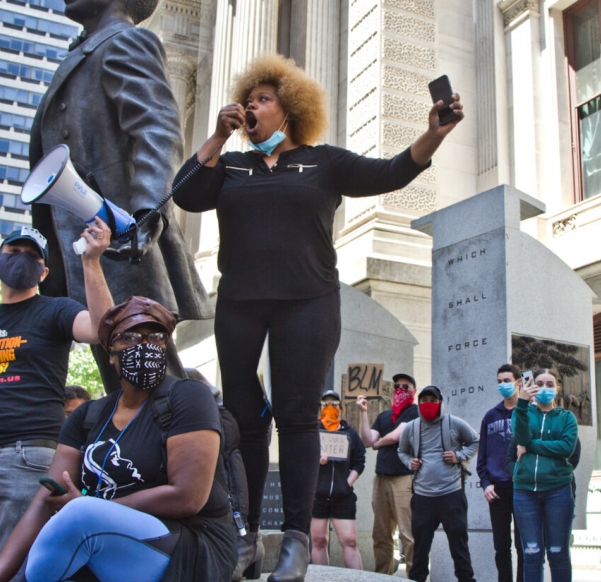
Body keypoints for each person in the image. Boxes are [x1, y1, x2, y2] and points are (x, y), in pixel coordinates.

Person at [172, 52, 462, 581]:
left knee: (297, 414)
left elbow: (391, 172)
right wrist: (216, 137)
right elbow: (186, 195)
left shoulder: (323, 161)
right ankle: (247, 535)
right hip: (239, 302)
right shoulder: (230, 166)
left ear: (290, 110)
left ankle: (297, 541)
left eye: (264, 99)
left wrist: (434, 135)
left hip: (307, 302)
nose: (252, 106)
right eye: (249, 98)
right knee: (242, 417)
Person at [0, 296, 237, 582]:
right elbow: (45, 501)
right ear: (111, 352)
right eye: (129, 336)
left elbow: (187, 498)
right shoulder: (87, 416)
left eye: (155, 336)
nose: (144, 345)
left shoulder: (188, 396)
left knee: (81, 514)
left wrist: (94, 505)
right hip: (102, 542)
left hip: (189, 545)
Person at [29, 0, 210, 395]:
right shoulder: (84, 51)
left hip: (121, 244)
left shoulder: (126, 41)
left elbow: (158, 130)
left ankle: (194, 452)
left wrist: (145, 215)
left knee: (149, 378)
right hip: (86, 250)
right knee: (124, 380)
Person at [0, 223, 115, 582]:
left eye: (32, 257)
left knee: (11, 570)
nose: (22, 261)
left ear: (43, 272)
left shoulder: (56, 310)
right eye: (14, 254)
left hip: (28, 457)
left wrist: (91, 262)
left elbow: (103, 330)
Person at [397, 385, 479, 582]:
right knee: (420, 548)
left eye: (432, 401)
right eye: (424, 400)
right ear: (418, 403)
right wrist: (410, 462)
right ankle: (417, 579)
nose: (428, 404)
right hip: (423, 496)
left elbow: (475, 441)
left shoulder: (455, 423)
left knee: (458, 544)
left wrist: (459, 456)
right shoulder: (411, 427)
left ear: (440, 402)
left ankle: (465, 579)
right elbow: (402, 451)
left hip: (451, 494)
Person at [510, 369, 578, 582]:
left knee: (558, 551)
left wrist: (531, 445)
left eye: (550, 384)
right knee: (531, 551)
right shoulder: (523, 412)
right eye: (540, 383)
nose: (545, 388)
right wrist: (521, 402)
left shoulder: (567, 417)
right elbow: (520, 436)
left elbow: (567, 448)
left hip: (558, 489)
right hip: (525, 491)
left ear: (557, 389)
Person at [358, 374, 419, 575]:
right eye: (397, 386)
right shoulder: (384, 416)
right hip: (381, 479)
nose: (400, 389)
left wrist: (378, 443)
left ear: (414, 391)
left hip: (404, 478)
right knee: (381, 535)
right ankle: (382, 576)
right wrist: (363, 413)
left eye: (406, 386)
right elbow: (367, 440)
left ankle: (414, 576)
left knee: (408, 534)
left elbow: (396, 436)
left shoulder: (415, 412)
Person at [311, 391, 366, 570]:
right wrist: (316, 461)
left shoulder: (350, 433)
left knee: (349, 541)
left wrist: (347, 482)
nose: (330, 407)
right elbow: (302, 459)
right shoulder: (313, 432)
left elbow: (359, 461)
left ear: (340, 409)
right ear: (320, 408)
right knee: (318, 540)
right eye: (325, 404)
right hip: (317, 496)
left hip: (343, 497)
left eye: (334, 404)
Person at [479, 364, 524, 582]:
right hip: (497, 490)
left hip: (523, 488)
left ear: (518, 382)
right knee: (501, 547)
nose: (503, 385)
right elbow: (482, 458)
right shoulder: (490, 416)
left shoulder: (527, 414)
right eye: (499, 381)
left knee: (524, 546)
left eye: (507, 380)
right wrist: (486, 484)